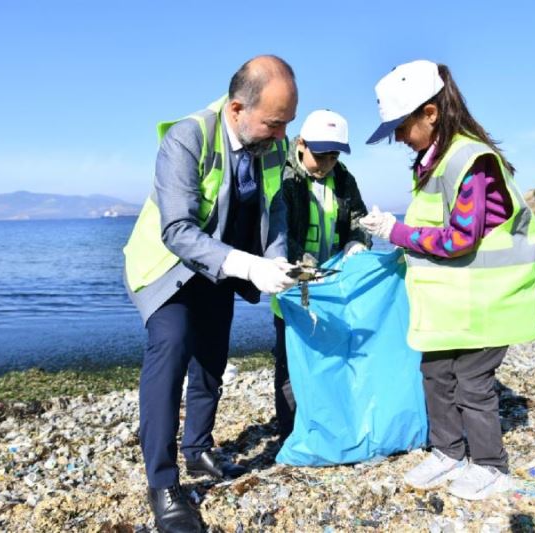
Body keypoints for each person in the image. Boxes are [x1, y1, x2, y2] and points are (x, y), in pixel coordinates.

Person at [122, 55, 298, 533]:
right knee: (173, 347)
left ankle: (198, 449)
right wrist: (248, 264)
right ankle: (162, 483)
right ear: (238, 108)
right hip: (165, 267)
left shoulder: (274, 145)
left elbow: (276, 208)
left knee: (212, 357)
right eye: (275, 123)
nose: (282, 135)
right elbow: (176, 228)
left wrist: (276, 258)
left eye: (287, 123)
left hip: (219, 268)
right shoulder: (187, 137)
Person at [360, 59, 535, 500]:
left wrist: (396, 232)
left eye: (401, 126)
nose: (399, 137)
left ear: (430, 113)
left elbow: (460, 238)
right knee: (436, 372)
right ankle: (448, 451)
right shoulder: (431, 160)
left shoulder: (469, 159)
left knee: (473, 383)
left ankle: (490, 465)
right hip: (453, 302)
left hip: (489, 301)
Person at [271, 109, 372, 442]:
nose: (328, 161)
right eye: (321, 154)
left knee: (333, 356)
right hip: (293, 285)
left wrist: (359, 241)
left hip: (332, 286)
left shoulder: (343, 178)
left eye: (334, 154)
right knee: (290, 362)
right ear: (300, 143)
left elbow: (358, 218)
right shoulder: (283, 177)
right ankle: (293, 432)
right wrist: (301, 264)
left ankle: (332, 426)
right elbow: (277, 231)